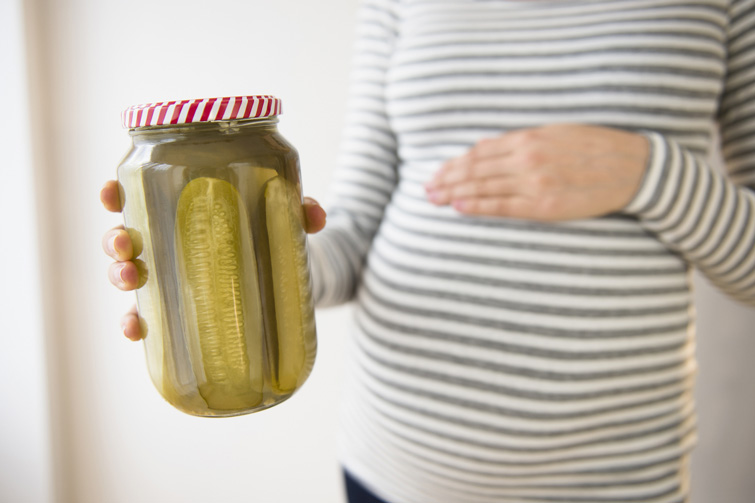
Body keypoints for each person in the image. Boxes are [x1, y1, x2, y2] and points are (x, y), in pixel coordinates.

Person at [102, 0, 755, 501]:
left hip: (611, 479)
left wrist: (650, 171)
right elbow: (350, 236)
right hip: (394, 466)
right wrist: (239, 265)